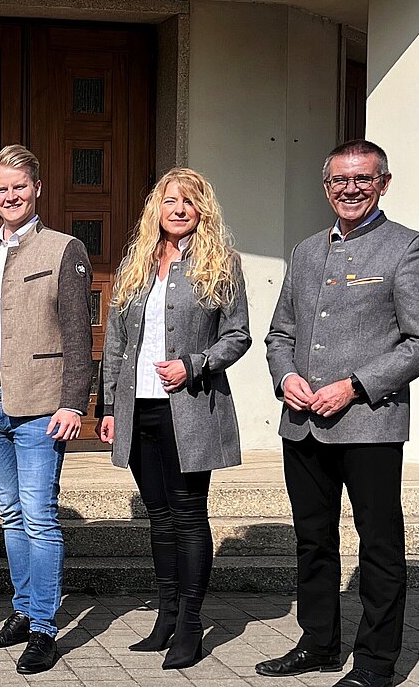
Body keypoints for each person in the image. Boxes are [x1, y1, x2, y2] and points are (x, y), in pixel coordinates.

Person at [258, 140, 419, 687]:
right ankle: (319, 643)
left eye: (363, 179)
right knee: (313, 542)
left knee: (379, 547)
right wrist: (286, 377)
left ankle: (375, 663)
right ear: (326, 186)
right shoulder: (306, 250)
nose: (351, 189)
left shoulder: (407, 248)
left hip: (370, 424)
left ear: (384, 184)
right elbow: (280, 333)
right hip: (302, 425)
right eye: (339, 180)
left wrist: (354, 387)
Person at [97, 169, 250, 670]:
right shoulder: (136, 263)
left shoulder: (220, 263)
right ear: (156, 209)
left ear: (202, 209)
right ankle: (165, 616)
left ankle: (190, 624)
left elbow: (238, 334)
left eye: (189, 201)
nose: (178, 209)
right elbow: (116, 341)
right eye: (169, 201)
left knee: (187, 514)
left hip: (189, 407)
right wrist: (109, 407)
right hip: (137, 407)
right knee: (158, 516)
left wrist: (195, 364)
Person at [0, 144, 91, 675]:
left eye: (19, 186)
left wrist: (75, 403)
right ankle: (22, 611)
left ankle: (44, 627)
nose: (10, 195)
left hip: (42, 403)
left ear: (37, 188)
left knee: (39, 515)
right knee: (11, 513)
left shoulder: (64, 248)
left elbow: (78, 334)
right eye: (1, 188)